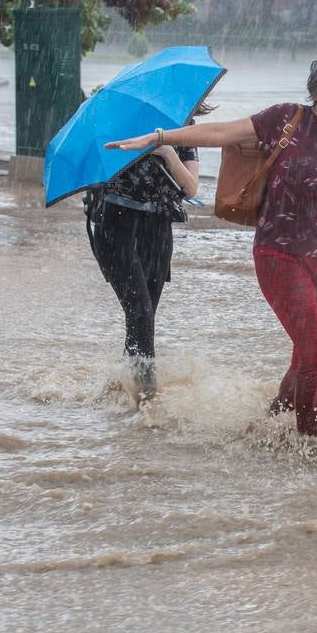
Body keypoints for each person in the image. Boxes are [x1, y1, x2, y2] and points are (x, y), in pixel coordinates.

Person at [106, 53, 317, 437]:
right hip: (279, 252)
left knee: (309, 356)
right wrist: (160, 137)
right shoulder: (286, 118)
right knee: (315, 356)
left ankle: (269, 423)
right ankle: (310, 445)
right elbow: (222, 133)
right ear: (314, 90)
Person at [85, 102, 209, 407]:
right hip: (115, 223)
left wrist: (166, 150)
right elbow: (93, 168)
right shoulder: (119, 119)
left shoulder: (182, 127)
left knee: (142, 317)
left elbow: (191, 188)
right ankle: (148, 401)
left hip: (158, 229)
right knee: (140, 311)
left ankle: (123, 392)